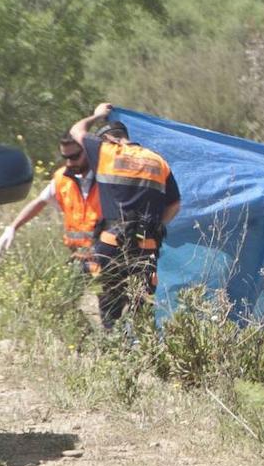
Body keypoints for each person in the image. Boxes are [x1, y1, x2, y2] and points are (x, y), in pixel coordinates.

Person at [70, 103, 181, 330]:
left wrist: (97, 115)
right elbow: (175, 204)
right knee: (142, 308)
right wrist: (156, 226)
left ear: (110, 138)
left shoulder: (106, 151)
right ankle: (139, 346)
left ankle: (112, 341)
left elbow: (76, 130)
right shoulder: (158, 161)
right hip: (146, 246)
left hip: (112, 243)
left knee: (110, 305)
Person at [0, 133, 102, 259]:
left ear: (88, 151)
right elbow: (40, 202)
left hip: (105, 257)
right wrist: (12, 227)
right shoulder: (62, 178)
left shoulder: (106, 179)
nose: (69, 163)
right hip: (77, 256)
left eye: (74, 157)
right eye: (65, 157)